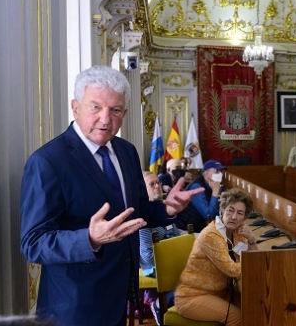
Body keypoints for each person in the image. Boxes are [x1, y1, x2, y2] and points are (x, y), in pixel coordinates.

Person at [20, 66, 202, 326]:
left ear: (124, 114)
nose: (106, 119)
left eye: (115, 110)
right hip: (74, 307)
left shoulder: (126, 152)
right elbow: (33, 243)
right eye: (95, 107)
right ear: (75, 107)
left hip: (120, 298)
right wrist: (89, 238)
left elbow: (134, 211)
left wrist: (167, 210)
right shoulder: (48, 162)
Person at [174, 189, 258, 326]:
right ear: (223, 209)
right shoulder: (212, 235)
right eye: (230, 210)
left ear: (245, 217)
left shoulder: (238, 232)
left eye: (240, 213)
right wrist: (249, 263)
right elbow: (232, 270)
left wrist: (252, 241)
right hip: (191, 296)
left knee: (254, 310)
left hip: (219, 293)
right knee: (238, 318)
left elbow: (254, 260)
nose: (234, 217)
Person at [138, 172, 181, 324]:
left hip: (169, 261)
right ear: (142, 190)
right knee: (192, 275)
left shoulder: (164, 210)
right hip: (151, 267)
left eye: (158, 182)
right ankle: (158, 305)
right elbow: (147, 257)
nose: (157, 186)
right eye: (152, 184)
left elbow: (176, 237)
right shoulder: (142, 218)